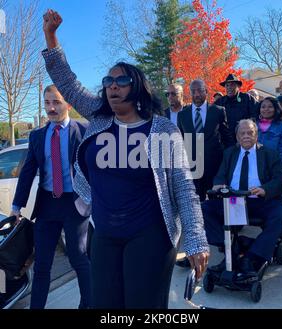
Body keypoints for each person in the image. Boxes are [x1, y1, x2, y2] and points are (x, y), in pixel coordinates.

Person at [42, 9, 209, 309]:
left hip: (150, 236)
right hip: (104, 234)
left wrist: (196, 239)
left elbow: (184, 188)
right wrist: (51, 37)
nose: (112, 86)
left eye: (120, 81)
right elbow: (67, 83)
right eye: (108, 81)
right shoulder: (99, 118)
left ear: (137, 86)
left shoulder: (160, 130)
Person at [10, 85, 91, 309]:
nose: (51, 108)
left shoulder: (84, 130)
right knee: (42, 265)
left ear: (68, 104)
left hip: (75, 204)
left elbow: (96, 168)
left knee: (78, 258)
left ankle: (88, 305)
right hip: (47, 205)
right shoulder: (37, 136)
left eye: (56, 102)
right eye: (47, 103)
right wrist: (17, 206)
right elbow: (27, 173)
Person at [202, 119, 282, 278]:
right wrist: (218, 185)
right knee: (203, 208)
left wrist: (264, 189)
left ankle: (252, 256)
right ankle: (230, 247)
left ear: (257, 136)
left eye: (250, 133)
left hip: (260, 200)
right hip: (234, 200)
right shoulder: (230, 153)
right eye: (242, 133)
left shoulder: (269, 153)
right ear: (237, 137)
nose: (246, 136)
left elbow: (279, 179)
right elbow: (220, 175)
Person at [177, 79, 234, 202]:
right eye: (193, 91)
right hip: (192, 167)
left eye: (200, 90)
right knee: (196, 202)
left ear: (206, 91)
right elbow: (180, 141)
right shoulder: (182, 115)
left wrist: (229, 161)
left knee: (216, 201)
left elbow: (227, 138)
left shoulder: (218, 111)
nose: (197, 94)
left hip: (214, 165)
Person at [215, 74, 258, 139]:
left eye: (232, 85)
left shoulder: (247, 98)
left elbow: (257, 113)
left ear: (238, 86)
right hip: (226, 140)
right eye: (227, 85)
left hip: (244, 138)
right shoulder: (220, 102)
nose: (229, 87)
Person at [257, 97, 282, 170]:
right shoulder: (252, 126)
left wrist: (276, 167)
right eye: (263, 107)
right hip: (253, 167)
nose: (266, 109)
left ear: (276, 109)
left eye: (270, 107)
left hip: (274, 169)